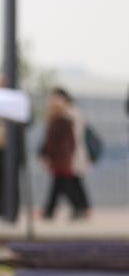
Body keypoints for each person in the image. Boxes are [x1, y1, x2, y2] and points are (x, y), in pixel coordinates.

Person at [39, 88, 89, 220]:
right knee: (62, 184)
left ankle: (77, 207)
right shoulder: (64, 117)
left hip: (64, 158)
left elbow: (55, 141)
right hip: (66, 157)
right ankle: (53, 210)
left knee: (64, 183)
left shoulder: (65, 117)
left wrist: (46, 155)